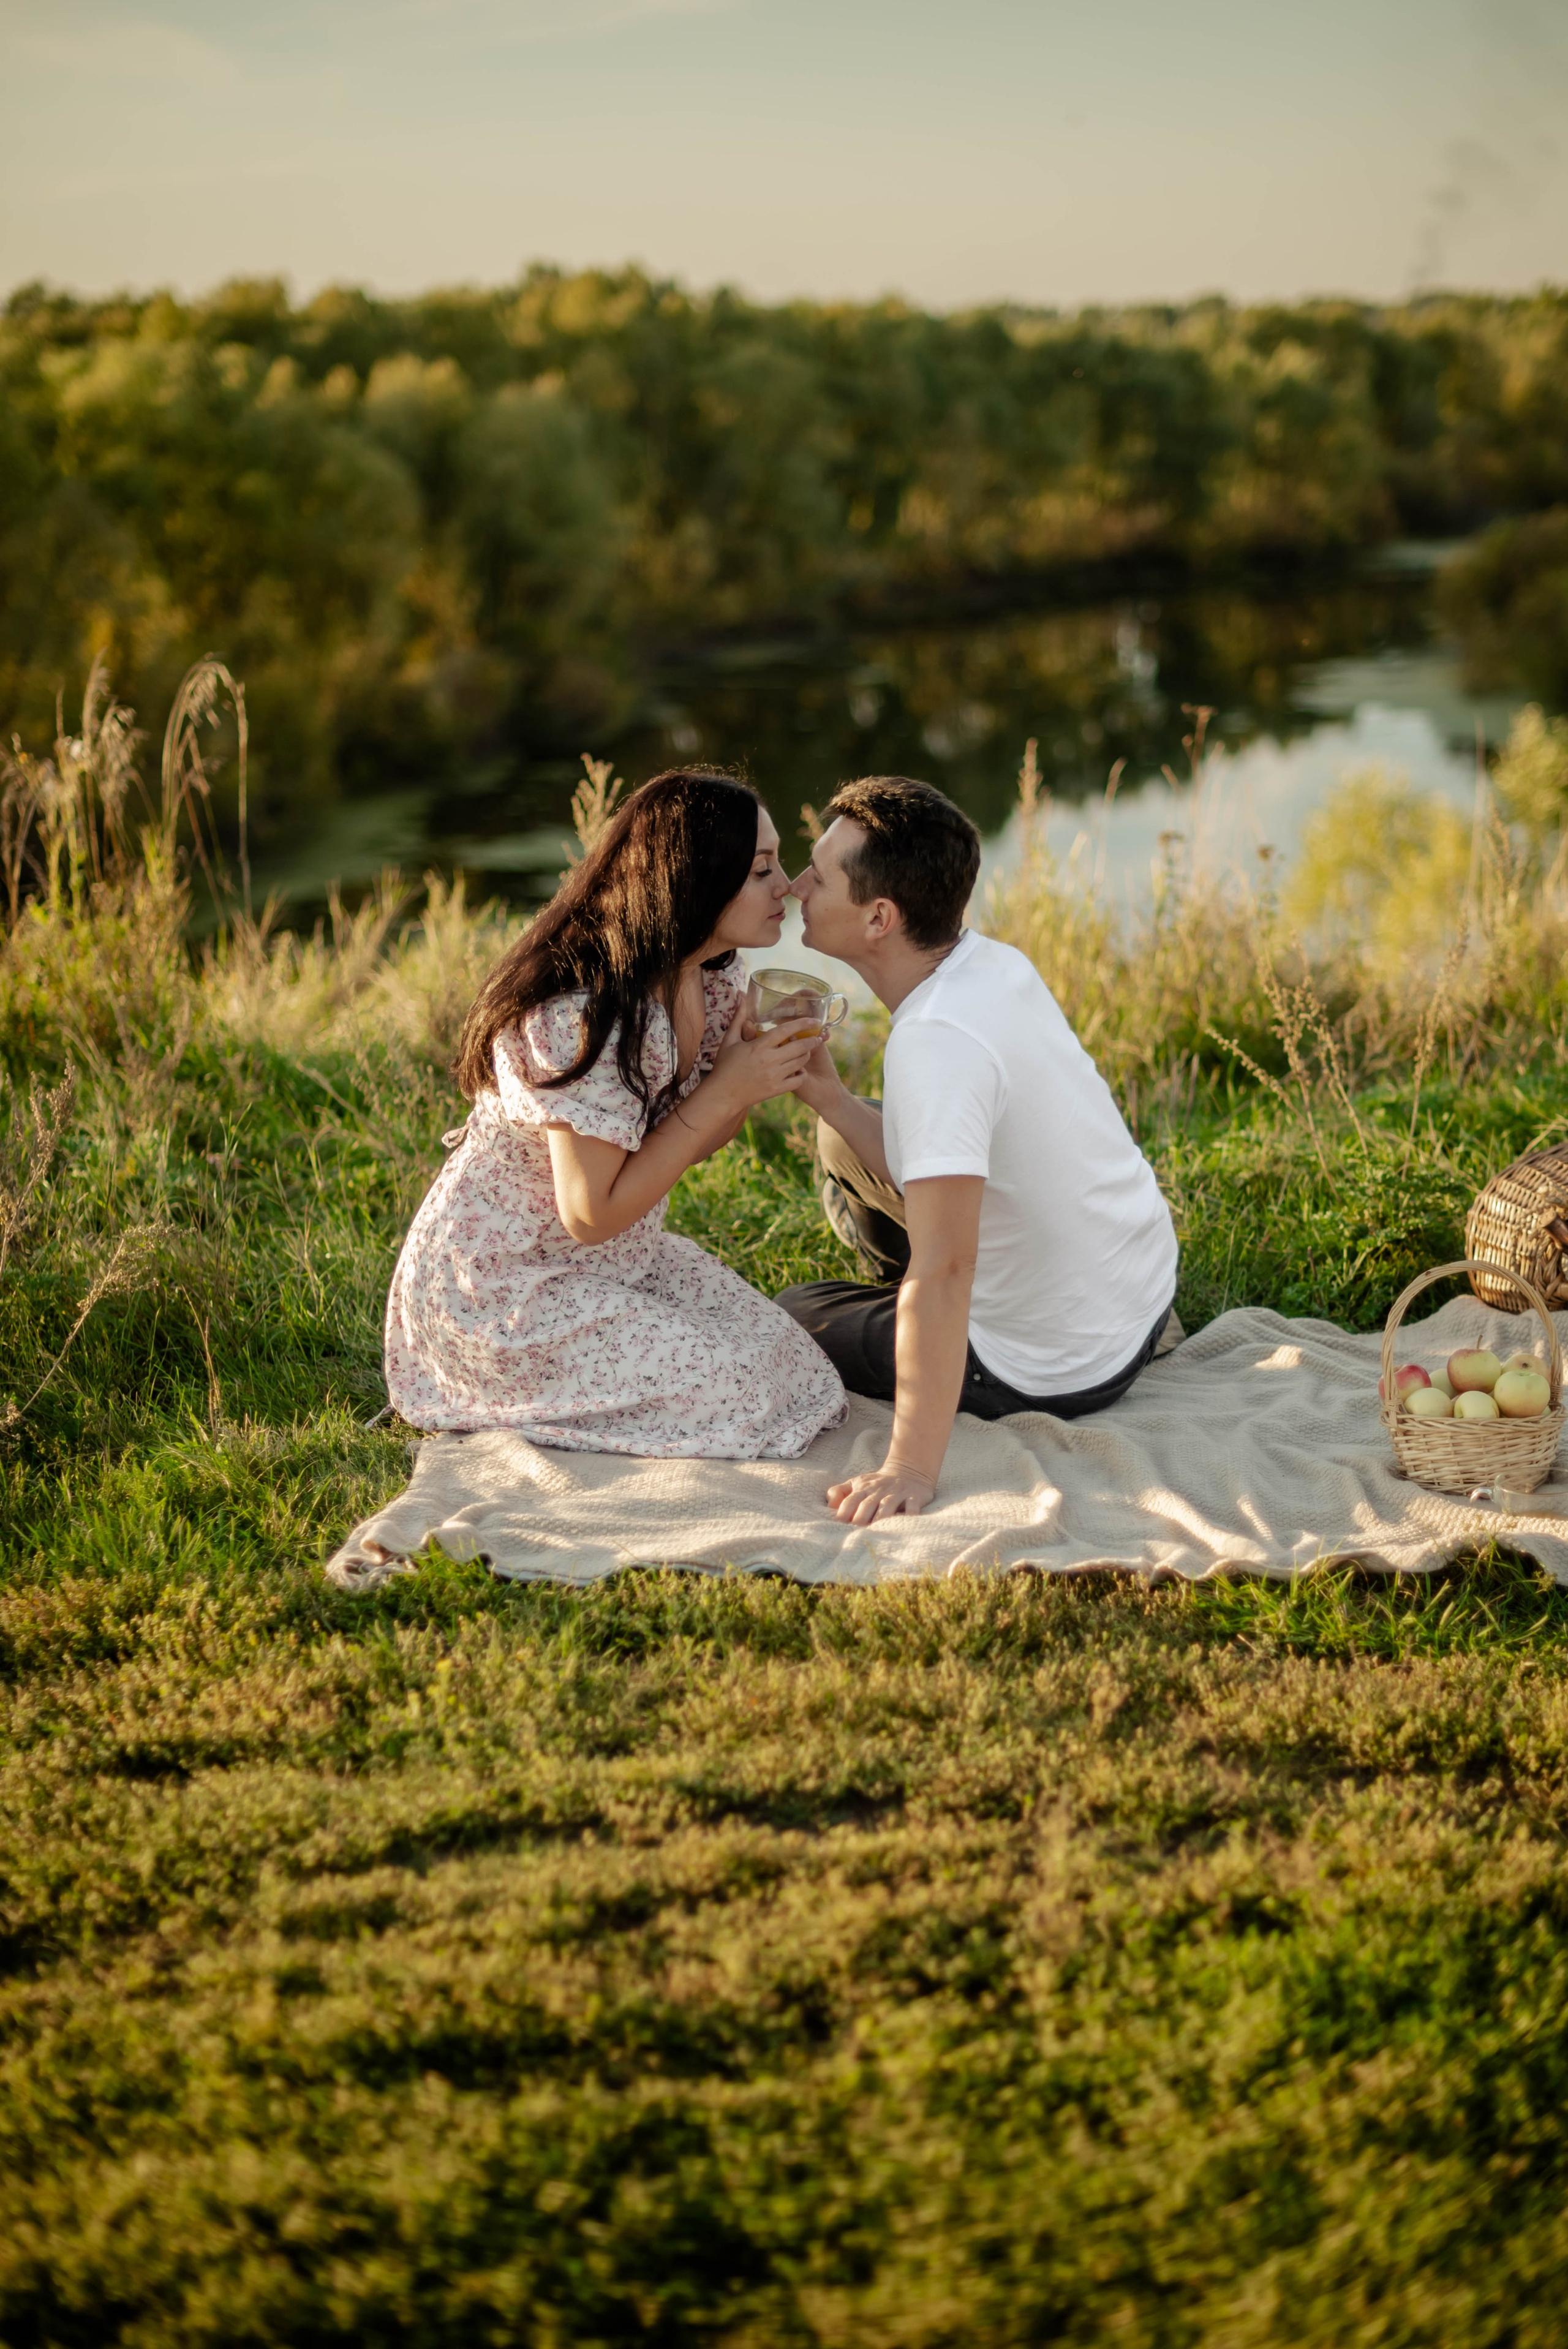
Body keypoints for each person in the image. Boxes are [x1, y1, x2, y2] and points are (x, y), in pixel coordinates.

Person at [384, 769, 846, 1458]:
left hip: (616, 1259)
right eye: (761, 869)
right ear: (694, 880)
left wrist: (741, 1078)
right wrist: (726, 1089)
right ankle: (485, 1392)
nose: (786, 885)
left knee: (793, 1365)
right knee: (740, 1391)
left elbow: (689, 1140)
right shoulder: (587, 1015)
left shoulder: (707, 974)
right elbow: (589, 1212)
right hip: (504, 1289)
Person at [780, 774, 1179, 1524]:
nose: (797, 885)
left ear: (879, 917)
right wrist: (829, 1097)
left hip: (1059, 1363)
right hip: (1140, 1299)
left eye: (819, 875)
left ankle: (931, 1342)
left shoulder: (935, 1043)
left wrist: (907, 1467)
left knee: (794, 1316)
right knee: (844, 1133)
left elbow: (946, 1269)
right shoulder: (992, 964)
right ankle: (918, 1322)